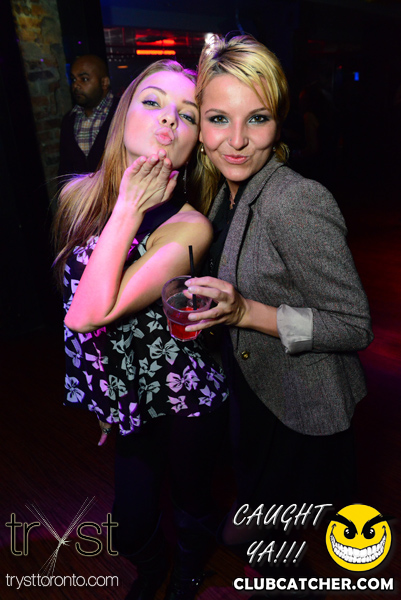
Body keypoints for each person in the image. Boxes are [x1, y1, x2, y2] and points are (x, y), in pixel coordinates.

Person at [184, 34, 374, 595]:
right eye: (219, 119)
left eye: (258, 119)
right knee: (260, 531)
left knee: (259, 542)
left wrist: (245, 311)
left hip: (300, 407)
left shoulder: (295, 200)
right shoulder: (225, 190)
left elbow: (354, 324)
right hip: (254, 391)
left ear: (279, 121)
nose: (237, 141)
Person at [53, 60, 228, 600]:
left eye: (188, 115)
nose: (169, 120)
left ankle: (191, 570)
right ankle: (152, 568)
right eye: (153, 102)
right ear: (124, 113)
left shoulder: (189, 226)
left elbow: (88, 314)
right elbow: (75, 302)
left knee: (193, 502)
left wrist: (129, 208)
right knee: (129, 524)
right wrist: (104, 392)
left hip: (183, 393)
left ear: (196, 145)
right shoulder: (76, 197)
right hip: (127, 396)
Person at [58, 54, 120, 181]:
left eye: (84, 79)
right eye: (73, 79)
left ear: (104, 82)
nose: (76, 85)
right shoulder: (69, 120)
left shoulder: (123, 112)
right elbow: (64, 169)